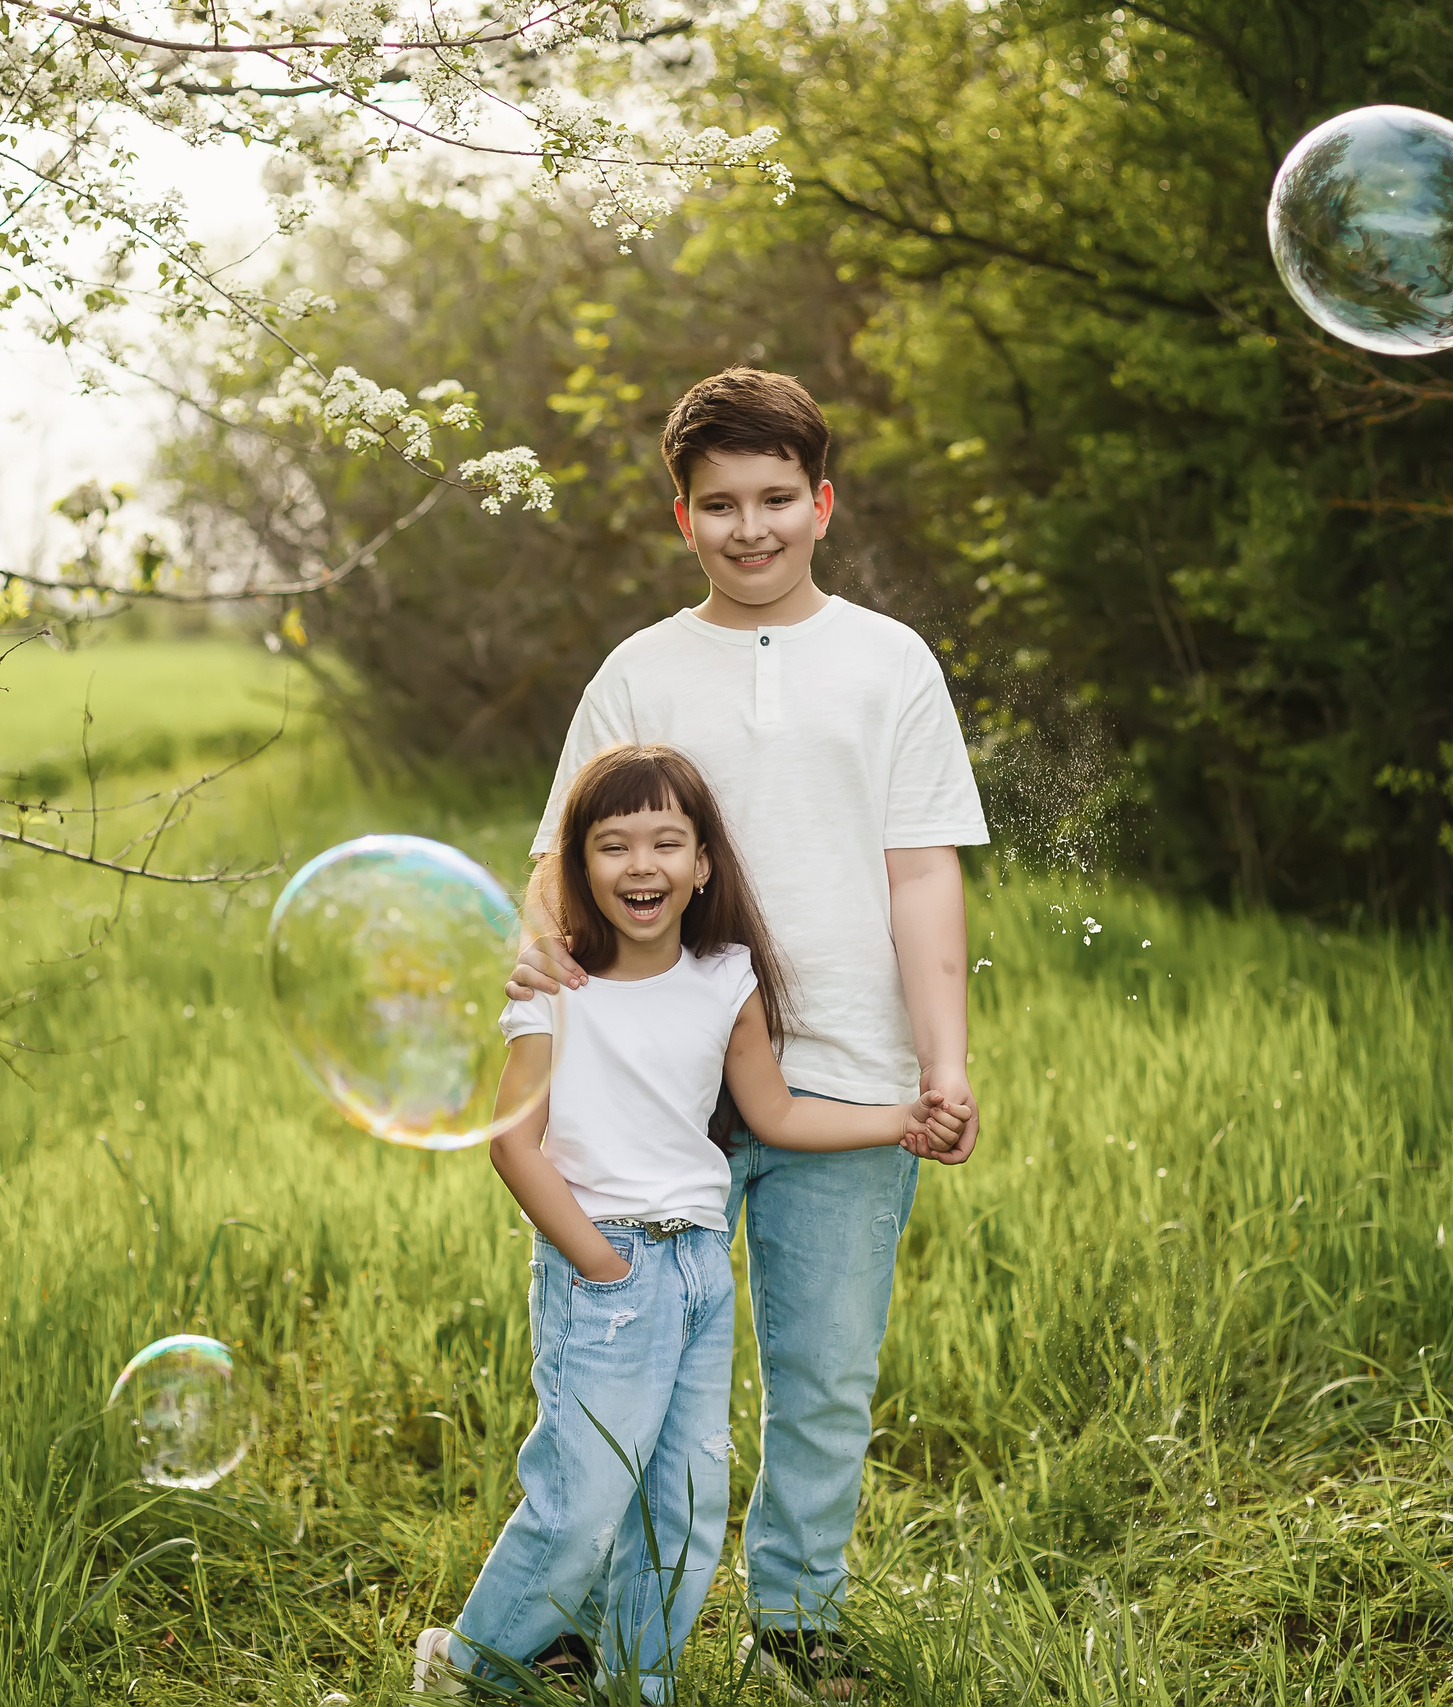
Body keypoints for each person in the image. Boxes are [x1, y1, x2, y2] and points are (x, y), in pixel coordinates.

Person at [507, 367, 988, 1701]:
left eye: (777, 498)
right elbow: (559, 855)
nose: (751, 526)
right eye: (719, 504)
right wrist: (535, 949)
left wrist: (942, 1062)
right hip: (650, 1096)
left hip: (849, 1077)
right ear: (683, 518)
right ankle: (571, 1619)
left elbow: (921, 871)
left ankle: (795, 1617)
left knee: (825, 1375)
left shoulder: (889, 661)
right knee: (623, 1374)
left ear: (822, 503)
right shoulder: (640, 670)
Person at [413, 743, 967, 1701]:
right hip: (607, 1268)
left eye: (667, 842)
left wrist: (902, 1119)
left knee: (684, 1501)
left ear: (703, 862)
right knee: (583, 1496)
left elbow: (775, 1113)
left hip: (701, 1266)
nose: (643, 865)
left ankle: (641, 1682)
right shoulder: (556, 993)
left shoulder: (725, 978)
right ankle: (467, 1667)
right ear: (578, 864)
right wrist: (600, 1262)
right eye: (613, 844)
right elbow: (512, 1144)